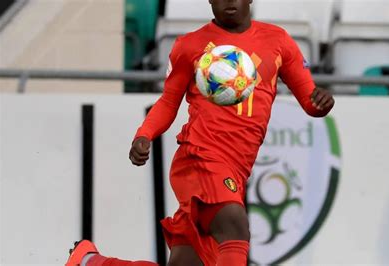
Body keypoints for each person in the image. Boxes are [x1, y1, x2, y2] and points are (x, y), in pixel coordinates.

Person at [66, 0, 334, 265]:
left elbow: (310, 100)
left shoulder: (278, 40)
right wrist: (144, 134)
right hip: (200, 158)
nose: (228, 1)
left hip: (237, 168)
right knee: (235, 228)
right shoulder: (190, 45)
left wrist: (321, 103)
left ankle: (90, 261)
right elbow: (169, 102)